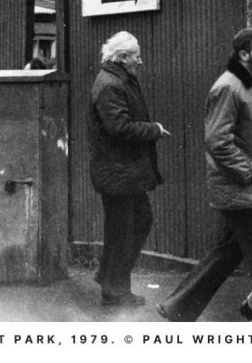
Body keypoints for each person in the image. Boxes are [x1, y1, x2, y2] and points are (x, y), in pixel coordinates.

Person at [156, 29, 252, 322]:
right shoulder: (229, 87)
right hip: (242, 188)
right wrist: (250, 173)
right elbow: (218, 141)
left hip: (248, 186)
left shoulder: (251, 84)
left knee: (228, 252)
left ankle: (178, 308)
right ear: (243, 55)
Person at [88, 31, 170, 307]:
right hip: (118, 172)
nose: (140, 61)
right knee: (126, 228)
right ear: (122, 57)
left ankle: (111, 280)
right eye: (136, 56)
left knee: (130, 225)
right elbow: (119, 128)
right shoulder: (111, 85)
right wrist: (153, 130)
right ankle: (114, 290)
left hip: (122, 171)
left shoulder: (115, 80)